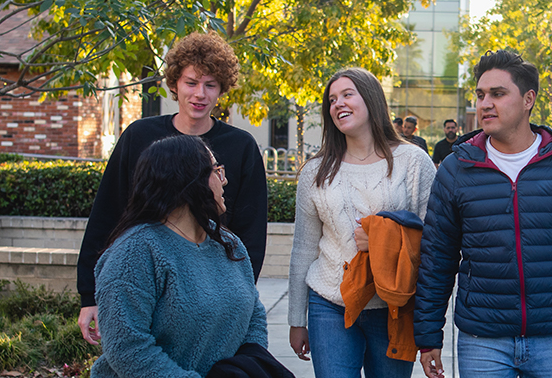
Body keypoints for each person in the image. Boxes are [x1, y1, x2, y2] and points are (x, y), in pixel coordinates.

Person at [415, 50, 552, 378]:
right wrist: (428, 337)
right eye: (481, 94)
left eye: (498, 94)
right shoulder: (457, 170)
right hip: (481, 339)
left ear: (528, 99)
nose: (485, 103)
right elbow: (436, 260)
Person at [76, 32, 268, 345]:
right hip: (142, 281)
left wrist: (240, 293)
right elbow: (107, 213)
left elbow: (251, 232)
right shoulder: (140, 136)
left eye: (210, 85)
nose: (200, 94)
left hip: (210, 288)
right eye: (191, 82)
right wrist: (89, 294)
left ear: (221, 89)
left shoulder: (241, 147)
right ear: (175, 84)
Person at [288, 67, 436, 378]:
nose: (337, 103)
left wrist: (384, 241)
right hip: (329, 304)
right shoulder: (315, 171)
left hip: (393, 307)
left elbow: (435, 243)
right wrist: (296, 319)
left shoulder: (413, 162)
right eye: (331, 99)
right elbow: (303, 247)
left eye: (347, 95)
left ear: (371, 99)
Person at [90, 135, 268, 377]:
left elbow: (254, 312)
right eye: (216, 171)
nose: (224, 181)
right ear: (188, 181)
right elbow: (127, 349)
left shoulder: (229, 243)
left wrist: (246, 366)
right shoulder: (134, 253)